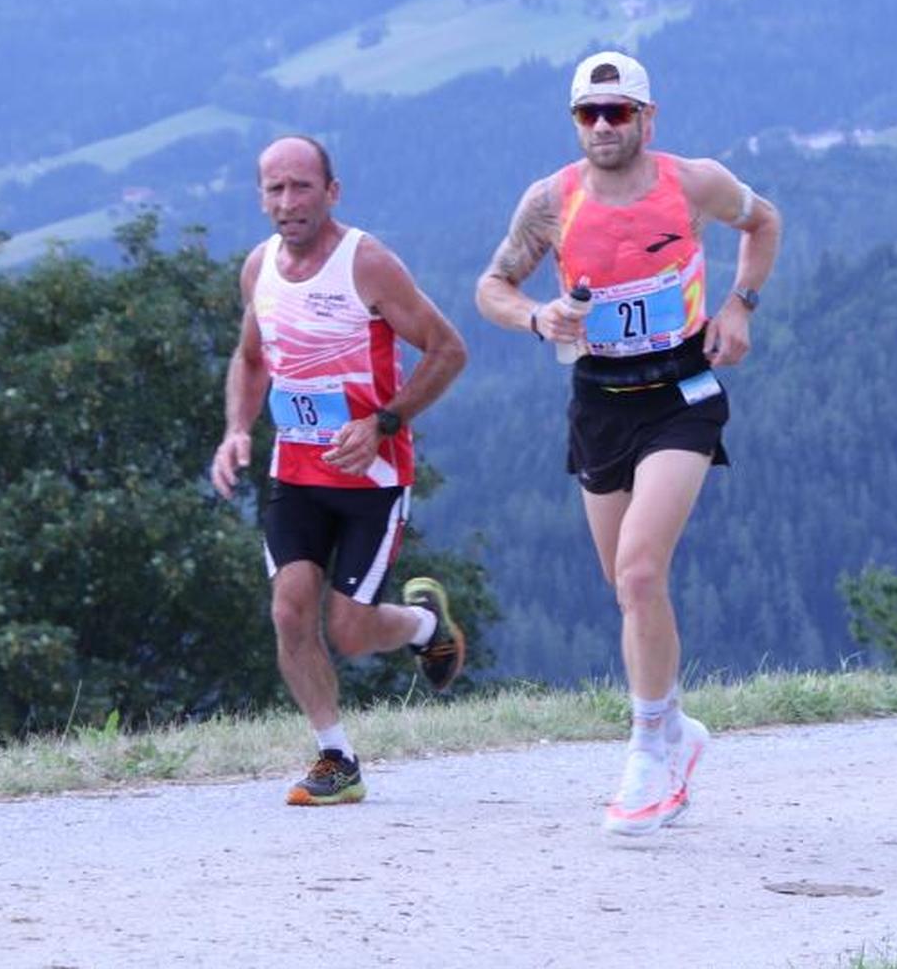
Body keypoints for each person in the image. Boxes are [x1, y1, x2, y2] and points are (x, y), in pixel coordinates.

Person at [476, 50, 781, 836]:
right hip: (600, 399)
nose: (604, 126)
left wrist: (740, 306)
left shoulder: (694, 181)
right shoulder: (550, 201)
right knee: (625, 583)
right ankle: (678, 730)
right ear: (575, 122)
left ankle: (650, 754)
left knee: (642, 573)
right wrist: (538, 318)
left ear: (649, 117)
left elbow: (764, 221)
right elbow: (492, 287)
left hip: (682, 392)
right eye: (589, 114)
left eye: (619, 112)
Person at [210, 135, 470, 806]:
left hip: (371, 479)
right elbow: (251, 358)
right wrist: (237, 430)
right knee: (290, 613)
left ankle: (422, 627)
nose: (288, 202)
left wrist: (384, 421)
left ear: (332, 191)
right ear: (260, 196)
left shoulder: (368, 264)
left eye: (302, 187)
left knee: (350, 633)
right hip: (294, 474)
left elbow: (447, 351)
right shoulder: (257, 269)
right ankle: (336, 755)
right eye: (275, 189)